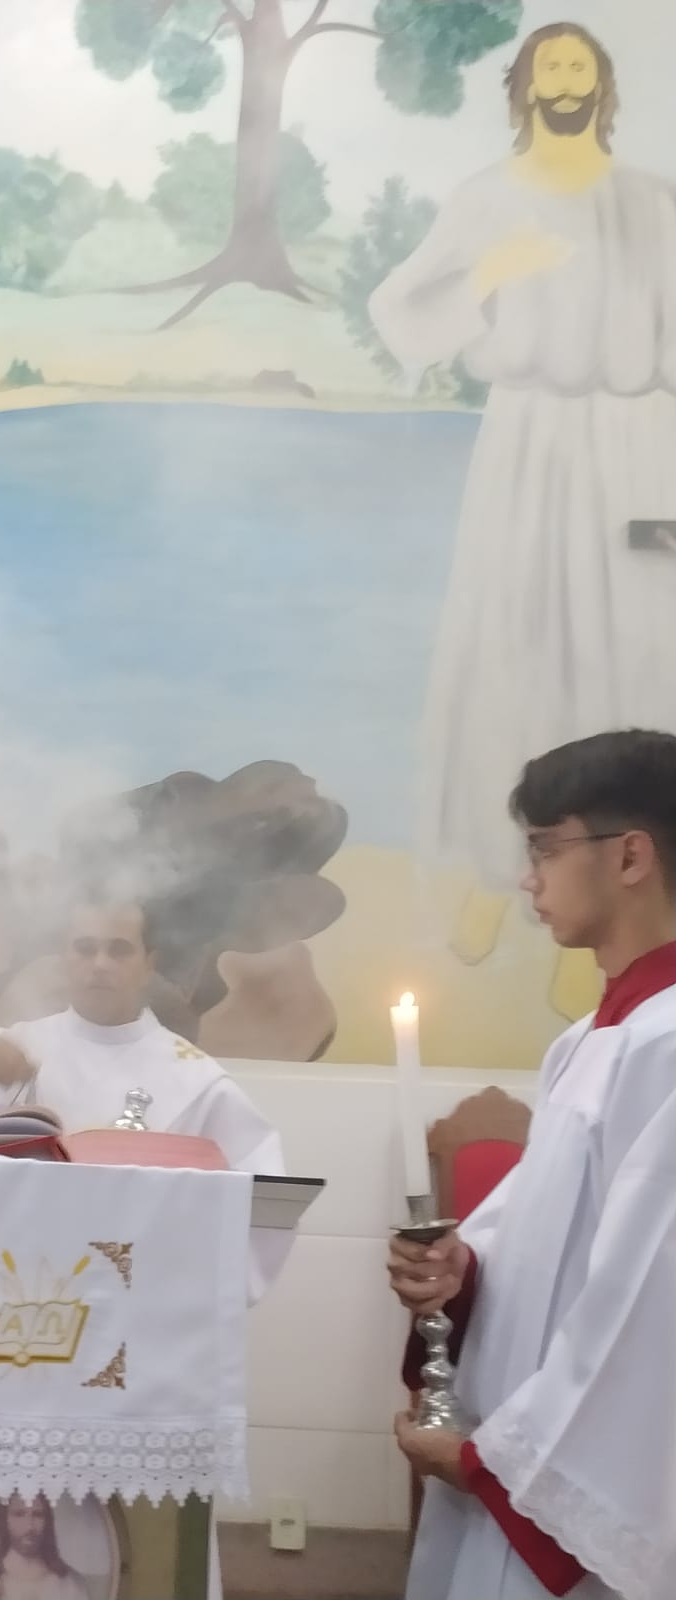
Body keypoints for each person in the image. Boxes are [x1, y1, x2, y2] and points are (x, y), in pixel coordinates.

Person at [369, 24, 676, 1014]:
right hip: (528, 441)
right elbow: (403, 310)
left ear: (602, 86)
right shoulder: (488, 198)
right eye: (552, 67)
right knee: (510, 647)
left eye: (582, 67)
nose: (568, 82)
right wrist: (489, 274)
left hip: (635, 443)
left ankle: (606, 909)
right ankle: (496, 869)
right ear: (525, 86)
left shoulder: (651, 203)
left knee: (625, 655)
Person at [388, 730, 676, 1600]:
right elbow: (537, 1239)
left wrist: (497, 1462)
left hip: (562, 1481)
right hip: (515, 1445)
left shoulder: (667, 1045)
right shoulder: (586, 1040)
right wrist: (458, 1271)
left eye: (546, 848)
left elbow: (651, 1307)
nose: (527, 879)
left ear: (630, 856)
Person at [0, 891, 289, 1303]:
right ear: (64, 960)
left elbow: (266, 1207)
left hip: (138, 1297)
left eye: (119, 950)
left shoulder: (195, 1080)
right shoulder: (11, 1051)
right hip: (11, 1292)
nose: (99, 964)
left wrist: (186, 1284)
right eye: (84, 949)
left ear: (149, 965)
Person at [0, 1495, 91, 1600]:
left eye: (38, 1515)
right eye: (19, 1514)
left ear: (47, 1521)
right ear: (4, 1520)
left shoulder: (71, 1584)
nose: (29, 1526)